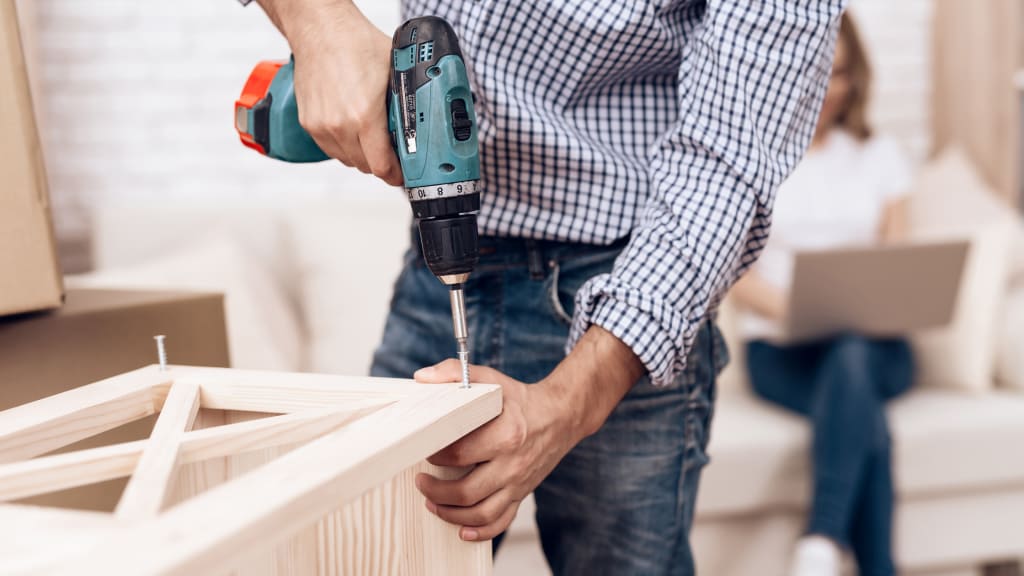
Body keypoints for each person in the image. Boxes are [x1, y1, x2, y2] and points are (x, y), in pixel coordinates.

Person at [244, 0, 846, 573]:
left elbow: (726, 166)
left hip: (624, 288)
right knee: (371, 553)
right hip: (441, 268)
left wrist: (567, 403)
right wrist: (319, 23)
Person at [731, 12, 914, 576]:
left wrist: (855, 308)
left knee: (854, 355)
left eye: (840, 74)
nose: (829, 89)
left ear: (856, 78)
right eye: (817, 73)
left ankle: (823, 539)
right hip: (783, 352)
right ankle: (868, 562)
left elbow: (898, 265)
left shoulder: (881, 158)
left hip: (878, 348)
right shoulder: (754, 162)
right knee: (866, 422)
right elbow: (734, 276)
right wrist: (807, 310)